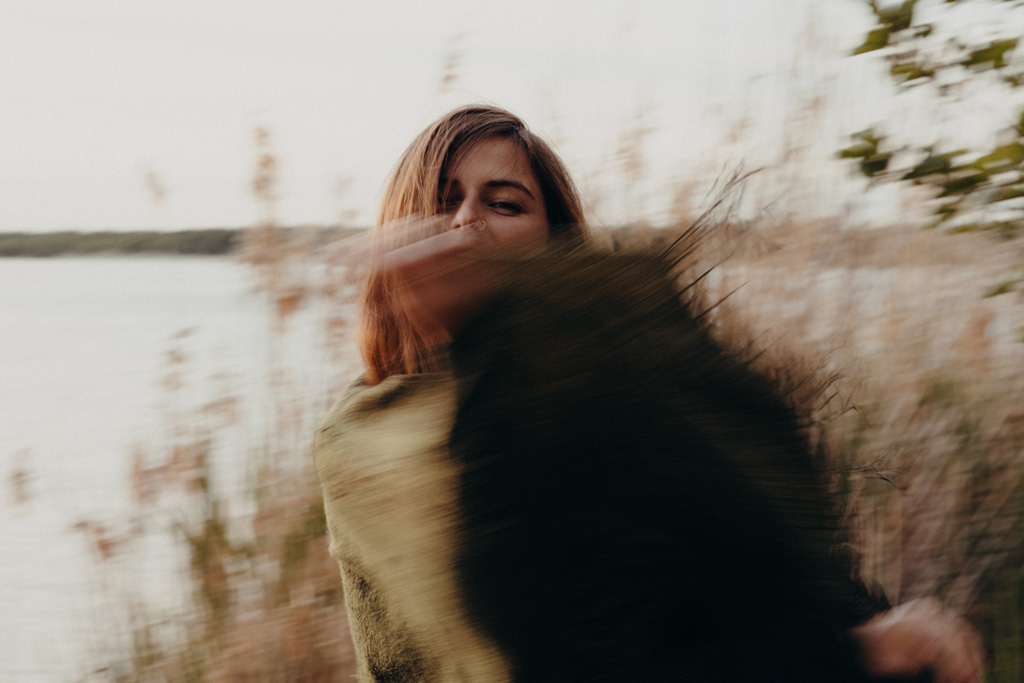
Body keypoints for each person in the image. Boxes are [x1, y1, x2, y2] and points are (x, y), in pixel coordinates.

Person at [313, 105, 984, 683]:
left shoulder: (620, 401)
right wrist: (853, 655)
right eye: (441, 200)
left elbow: (738, 592)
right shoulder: (359, 438)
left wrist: (864, 644)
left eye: (504, 202)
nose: (466, 224)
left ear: (556, 242)